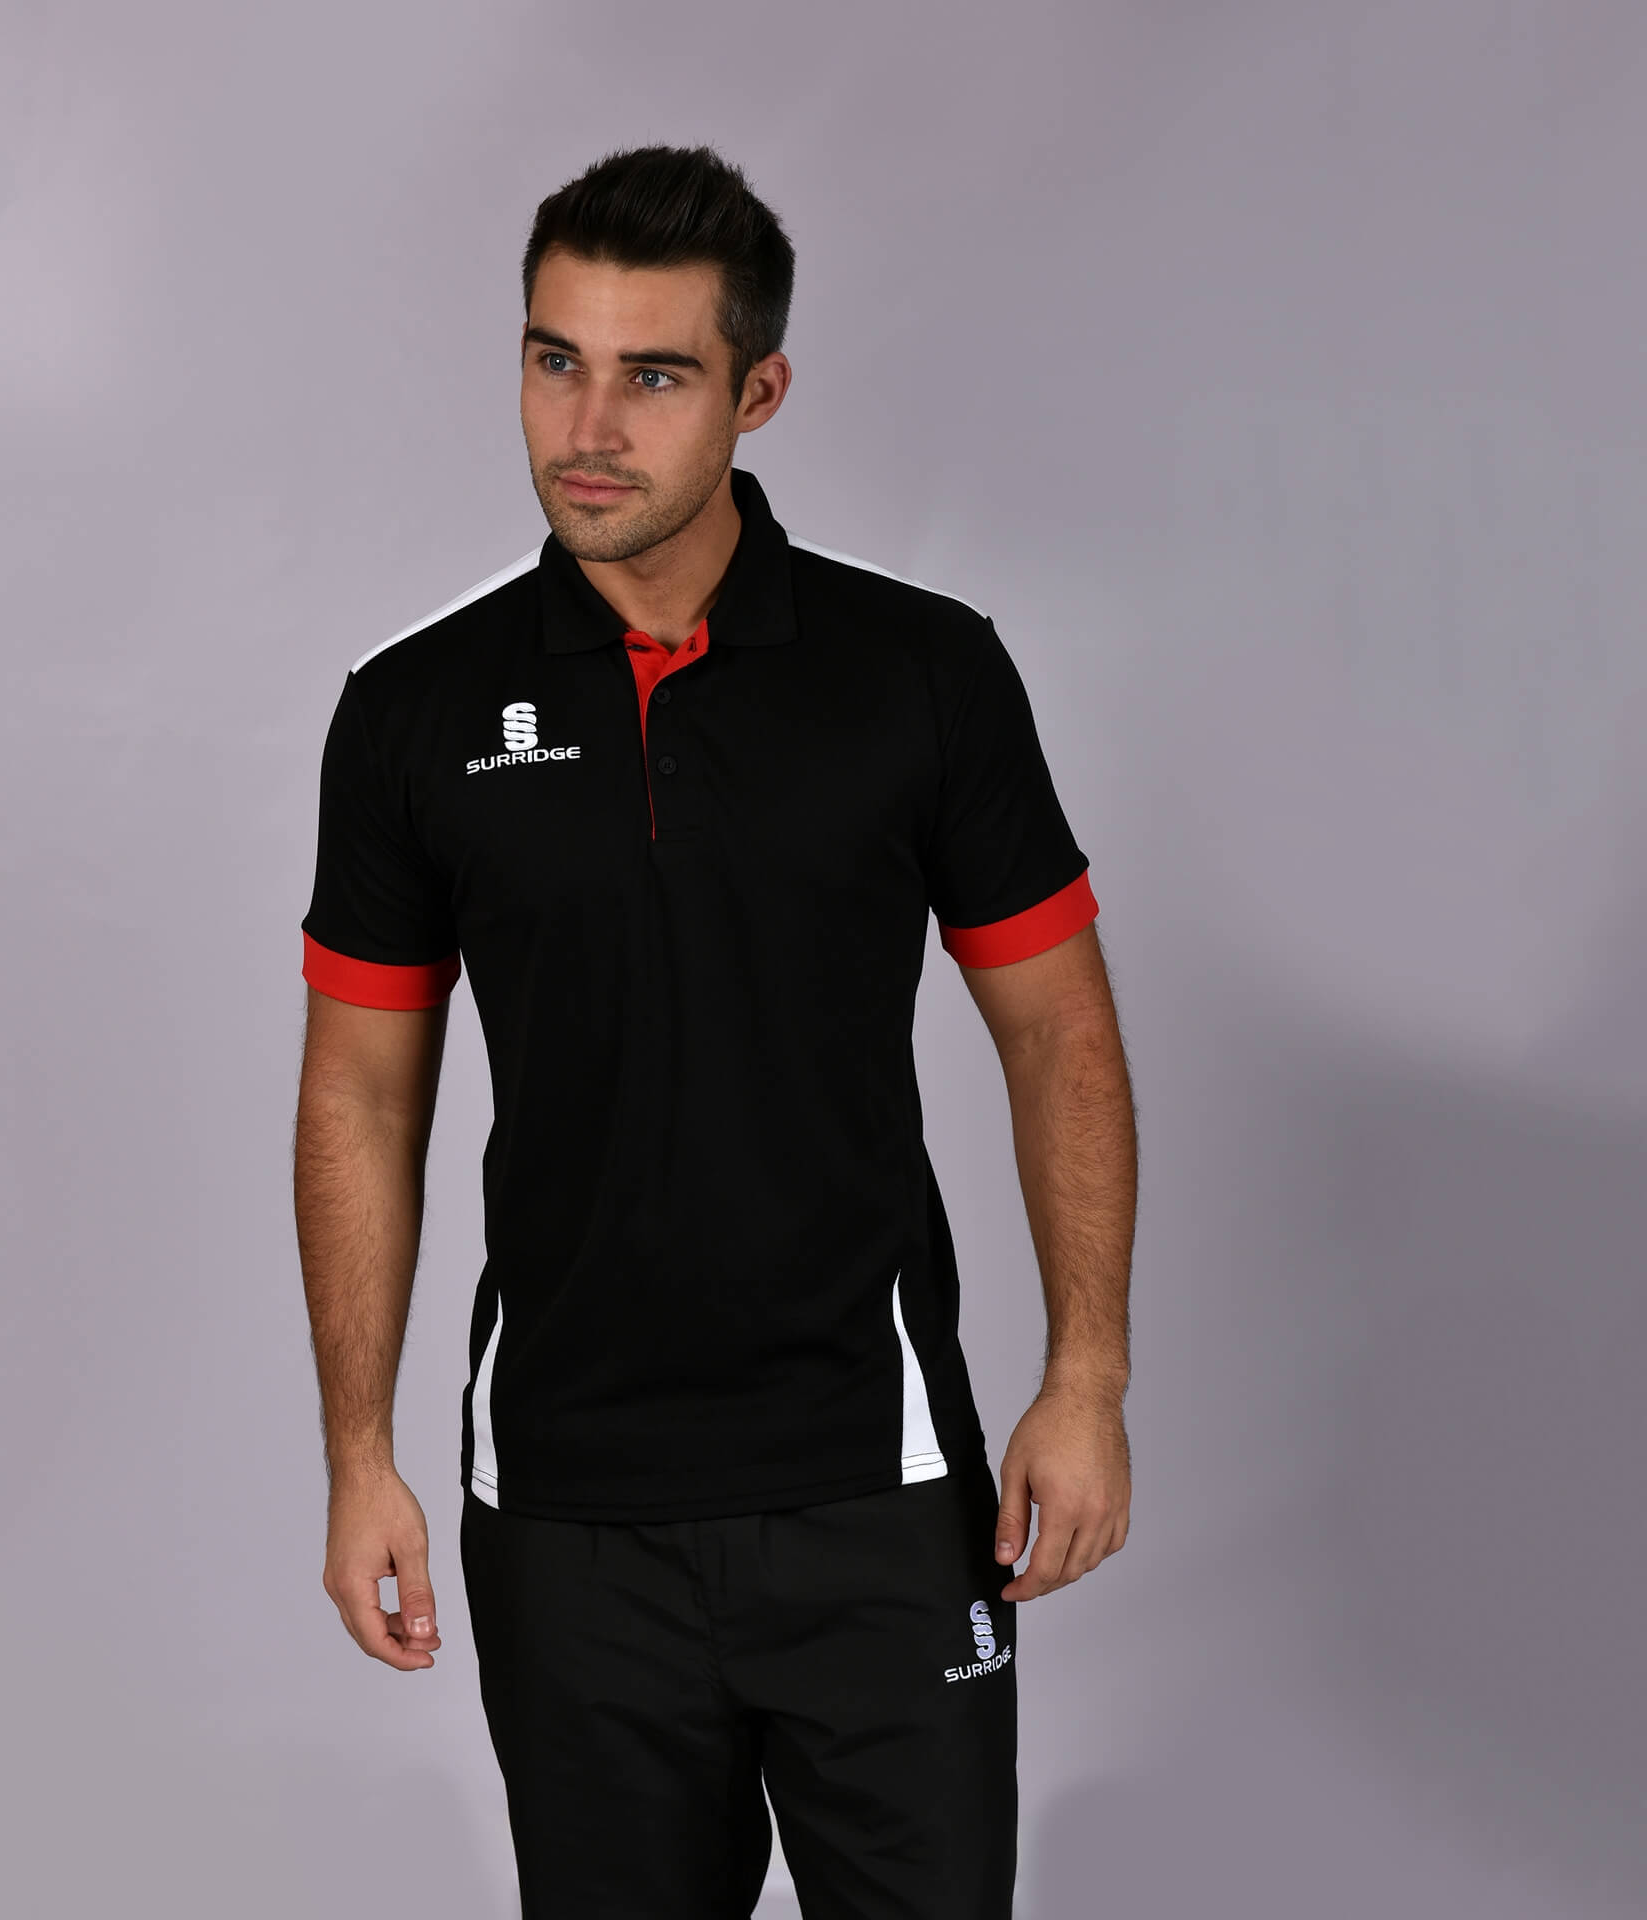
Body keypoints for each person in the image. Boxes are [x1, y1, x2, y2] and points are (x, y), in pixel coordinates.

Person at [293, 142, 1136, 1918]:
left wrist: (1087, 1379)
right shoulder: (412, 712)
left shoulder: (922, 673)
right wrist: (359, 1456)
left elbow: (1059, 1031)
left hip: (879, 1490)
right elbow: (361, 1093)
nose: (588, 426)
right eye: (555, 360)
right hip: (567, 1513)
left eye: (654, 375)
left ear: (759, 394)